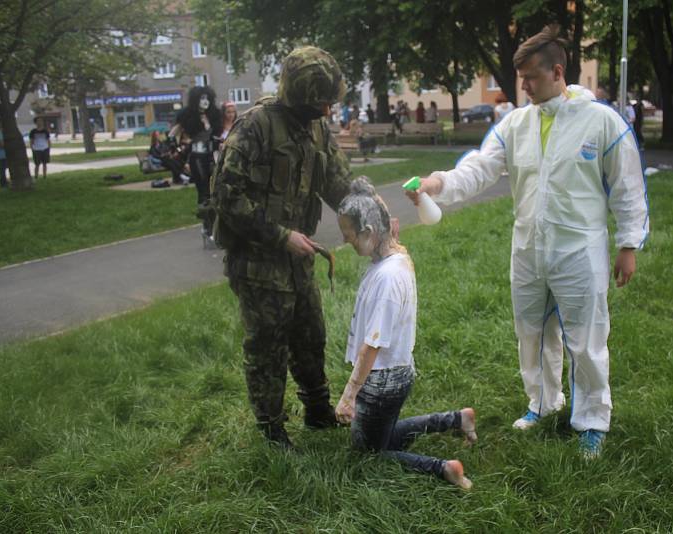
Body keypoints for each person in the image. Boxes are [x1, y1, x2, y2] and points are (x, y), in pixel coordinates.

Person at [405, 25, 648, 459]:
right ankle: (542, 402)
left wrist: (628, 244)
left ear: (557, 72)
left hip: (580, 251)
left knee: (585, 338)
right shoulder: (516, 124)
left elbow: (627, 185)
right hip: (529, 250)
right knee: (531, 333)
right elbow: (478, 168)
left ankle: (592, 419)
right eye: (521, 79)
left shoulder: (601, 122)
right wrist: (436, 182)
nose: (522, 86)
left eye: (530, 78)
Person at [211, 46, 354, 448]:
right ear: (300, 98)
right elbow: (227, 197)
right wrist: (280, 236)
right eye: (321, 103)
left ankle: (318, 411)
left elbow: (340, 183)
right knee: (268, 346)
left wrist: (371, 212)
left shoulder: (318, 129)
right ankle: (272, 429)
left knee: (311, 335)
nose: (328, 111)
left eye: (331, 102)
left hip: (298, 259)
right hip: (259, 262)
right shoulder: (254, 127)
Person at [335, 177, 476, 489]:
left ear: (369, 232)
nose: (346, 241)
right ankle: (458, 419)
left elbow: (372, 345)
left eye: (349, 235)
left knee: (368, 453)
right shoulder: (393, 255)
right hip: (394, 375)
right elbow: (385, 224)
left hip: (382, 379)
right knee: (382, 435)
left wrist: (349, 397)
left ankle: (444, 469)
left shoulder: (387, 279)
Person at [171, 86, 223, 240]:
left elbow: (215, 134)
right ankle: (207, 226)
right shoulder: (188, 117)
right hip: (197, 156)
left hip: (210, 155)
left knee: (214, 189)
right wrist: (176, 147)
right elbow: (173, 133)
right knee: (203, 191)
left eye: (207, 98)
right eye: (202, 98)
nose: (205, 102)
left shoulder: (212, 115)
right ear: (195, 100)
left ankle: (214, 224)